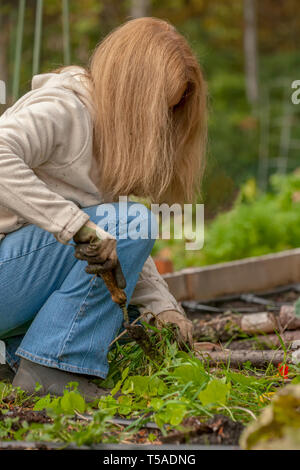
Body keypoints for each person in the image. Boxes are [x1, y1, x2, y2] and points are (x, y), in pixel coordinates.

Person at [0, 17, 207, 400]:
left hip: (15, 281)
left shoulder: (107, 140)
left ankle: (23, 360)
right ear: (135, 92)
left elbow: (114, 240)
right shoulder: (64, 107)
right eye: (158, 109)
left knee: (127, 314)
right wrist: (75, 226)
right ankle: (51, 366)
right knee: (134, 223)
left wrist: (164, 309)